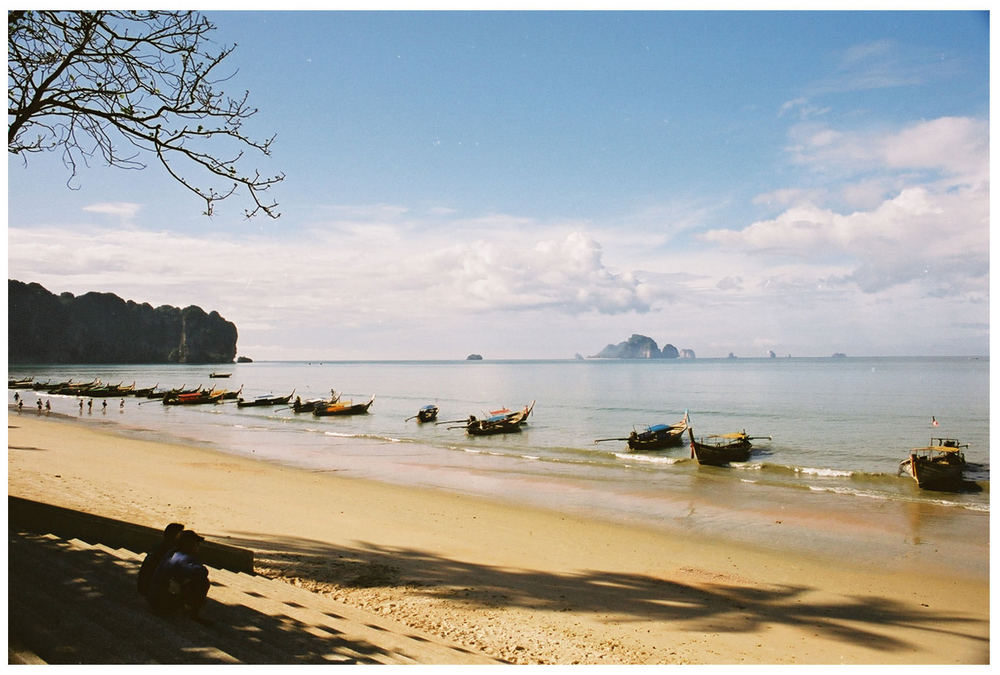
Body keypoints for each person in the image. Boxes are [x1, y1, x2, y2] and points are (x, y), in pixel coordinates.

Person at [147, 530, 212, 624]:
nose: (198, 546)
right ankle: (193, 613)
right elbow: (202, 572)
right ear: (189, 545)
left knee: (189, 580)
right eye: (196, 544)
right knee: (203, 582)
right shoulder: (184, 559)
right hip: (161, 602)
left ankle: (185, 604)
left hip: (154, 598)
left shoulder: (172, 552)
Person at [137, 522, 184, 598]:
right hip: (153, 590)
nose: (182, 537)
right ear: (175, 536)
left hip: (146, 588)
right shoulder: (168, 552)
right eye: (180, 534)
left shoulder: (159, 548)